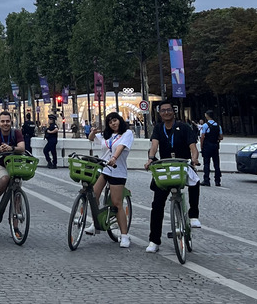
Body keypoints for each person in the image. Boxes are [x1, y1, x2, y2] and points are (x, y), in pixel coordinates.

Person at [144, 100, 202, 253]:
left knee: (195, 181)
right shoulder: (158, 128)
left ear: (173, 111)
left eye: (169, 110)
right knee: (157, 204)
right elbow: (154, 146)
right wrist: (150, 158)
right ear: (160, 113)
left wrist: (194, 159)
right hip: (166, 166)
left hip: (183, 164)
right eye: (163, 111)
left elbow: (193, 148)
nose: (166, 113)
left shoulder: (184, 127)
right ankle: (154, 240)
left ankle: (193, 215)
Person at [85, 112, 134, 248]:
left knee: (116, 203)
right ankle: (95, 223)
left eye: (115, 120)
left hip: (118, 170)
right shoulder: (106, 135)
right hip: (105, 169)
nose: (113, 123)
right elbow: (91, 138)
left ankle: (124, 235)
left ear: (120, 121)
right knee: (93, 195)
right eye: (110, 122)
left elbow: (120, 147)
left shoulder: (127, 134)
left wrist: (114, 158)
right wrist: (93, 132)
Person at [0, 111, 24, 221]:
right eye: (3, 121)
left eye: (7, 121)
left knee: (17, 195)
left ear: (11, 122)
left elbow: (22, 148)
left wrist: (12, 148)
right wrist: (0, 149)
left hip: (14, 166)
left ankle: (16, 227)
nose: (5, 123)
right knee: (5, 178)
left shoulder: (16, 133)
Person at [200, 110, 224, 187]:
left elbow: (202, 137)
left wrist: (202, 147)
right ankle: (217, 180)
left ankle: (206, 180)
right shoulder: (218, 126)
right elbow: (221, 137)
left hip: (207, 146)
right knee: (216, 163)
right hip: (215, 146)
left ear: (207, 116)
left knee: (206, 163)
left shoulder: (205, 125)